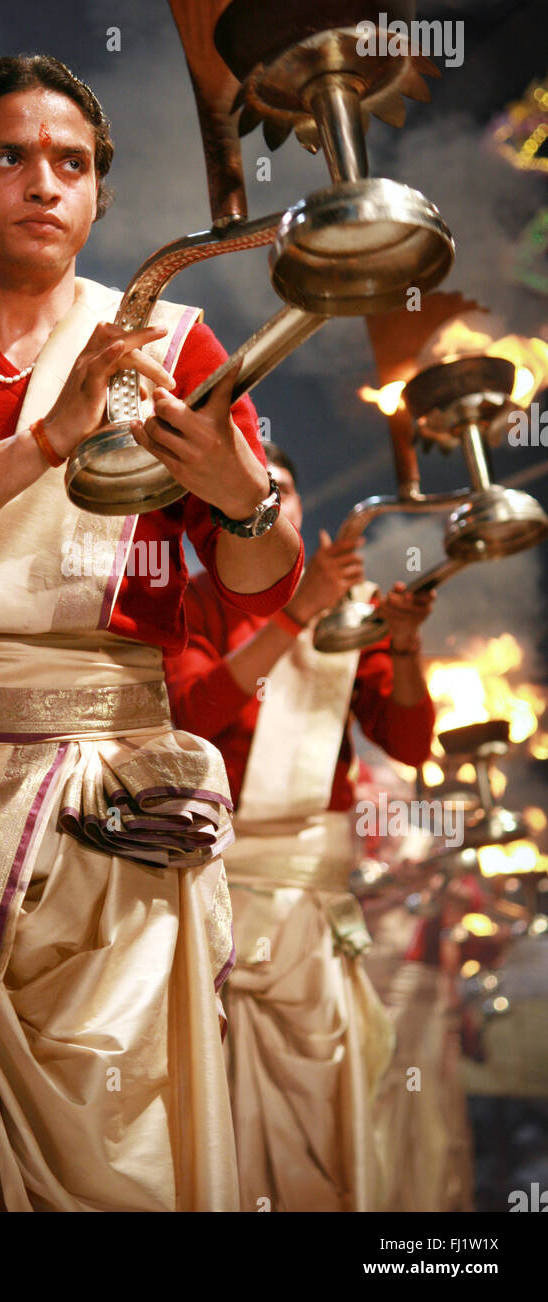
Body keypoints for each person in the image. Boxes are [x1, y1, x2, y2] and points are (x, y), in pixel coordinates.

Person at [0, 55, 303, 1212]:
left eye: (72, 164)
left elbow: (256, 582)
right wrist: (48, 438)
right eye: (8, 157)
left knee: (126, 1147)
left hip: (115, 803)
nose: (44, 182)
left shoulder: (169, 350)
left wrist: (243, 500)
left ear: (97, 199)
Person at [165, 441, 437, 1211]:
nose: (265, 509)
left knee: (321, 1094)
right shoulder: (190, 603)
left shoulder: (356, 613)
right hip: (216, 893)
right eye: (245, 497)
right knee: (214, 1094)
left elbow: (409, 744)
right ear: (213, 518)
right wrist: (298, 613)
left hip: (313, 902)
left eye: (277, 491)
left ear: (298, 509)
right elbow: (196, 713)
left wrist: (406, 641)